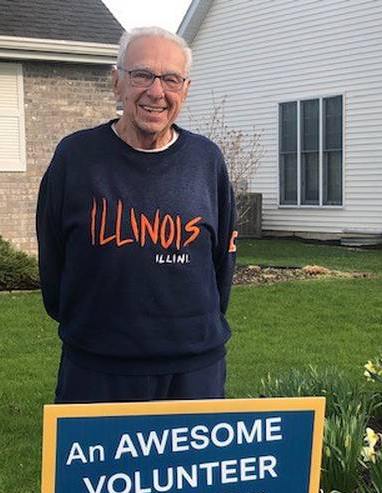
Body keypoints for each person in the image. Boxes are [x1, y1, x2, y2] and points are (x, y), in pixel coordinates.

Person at [36, 26, 237, 404]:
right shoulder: (75, 158)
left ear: (185, 89)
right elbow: (53, 261)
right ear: (117, 83)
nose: (156, 92)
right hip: (96, 372)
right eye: (142, 75)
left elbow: (221, 263)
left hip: (194, 374)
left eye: (171, 79)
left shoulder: (206, 161)